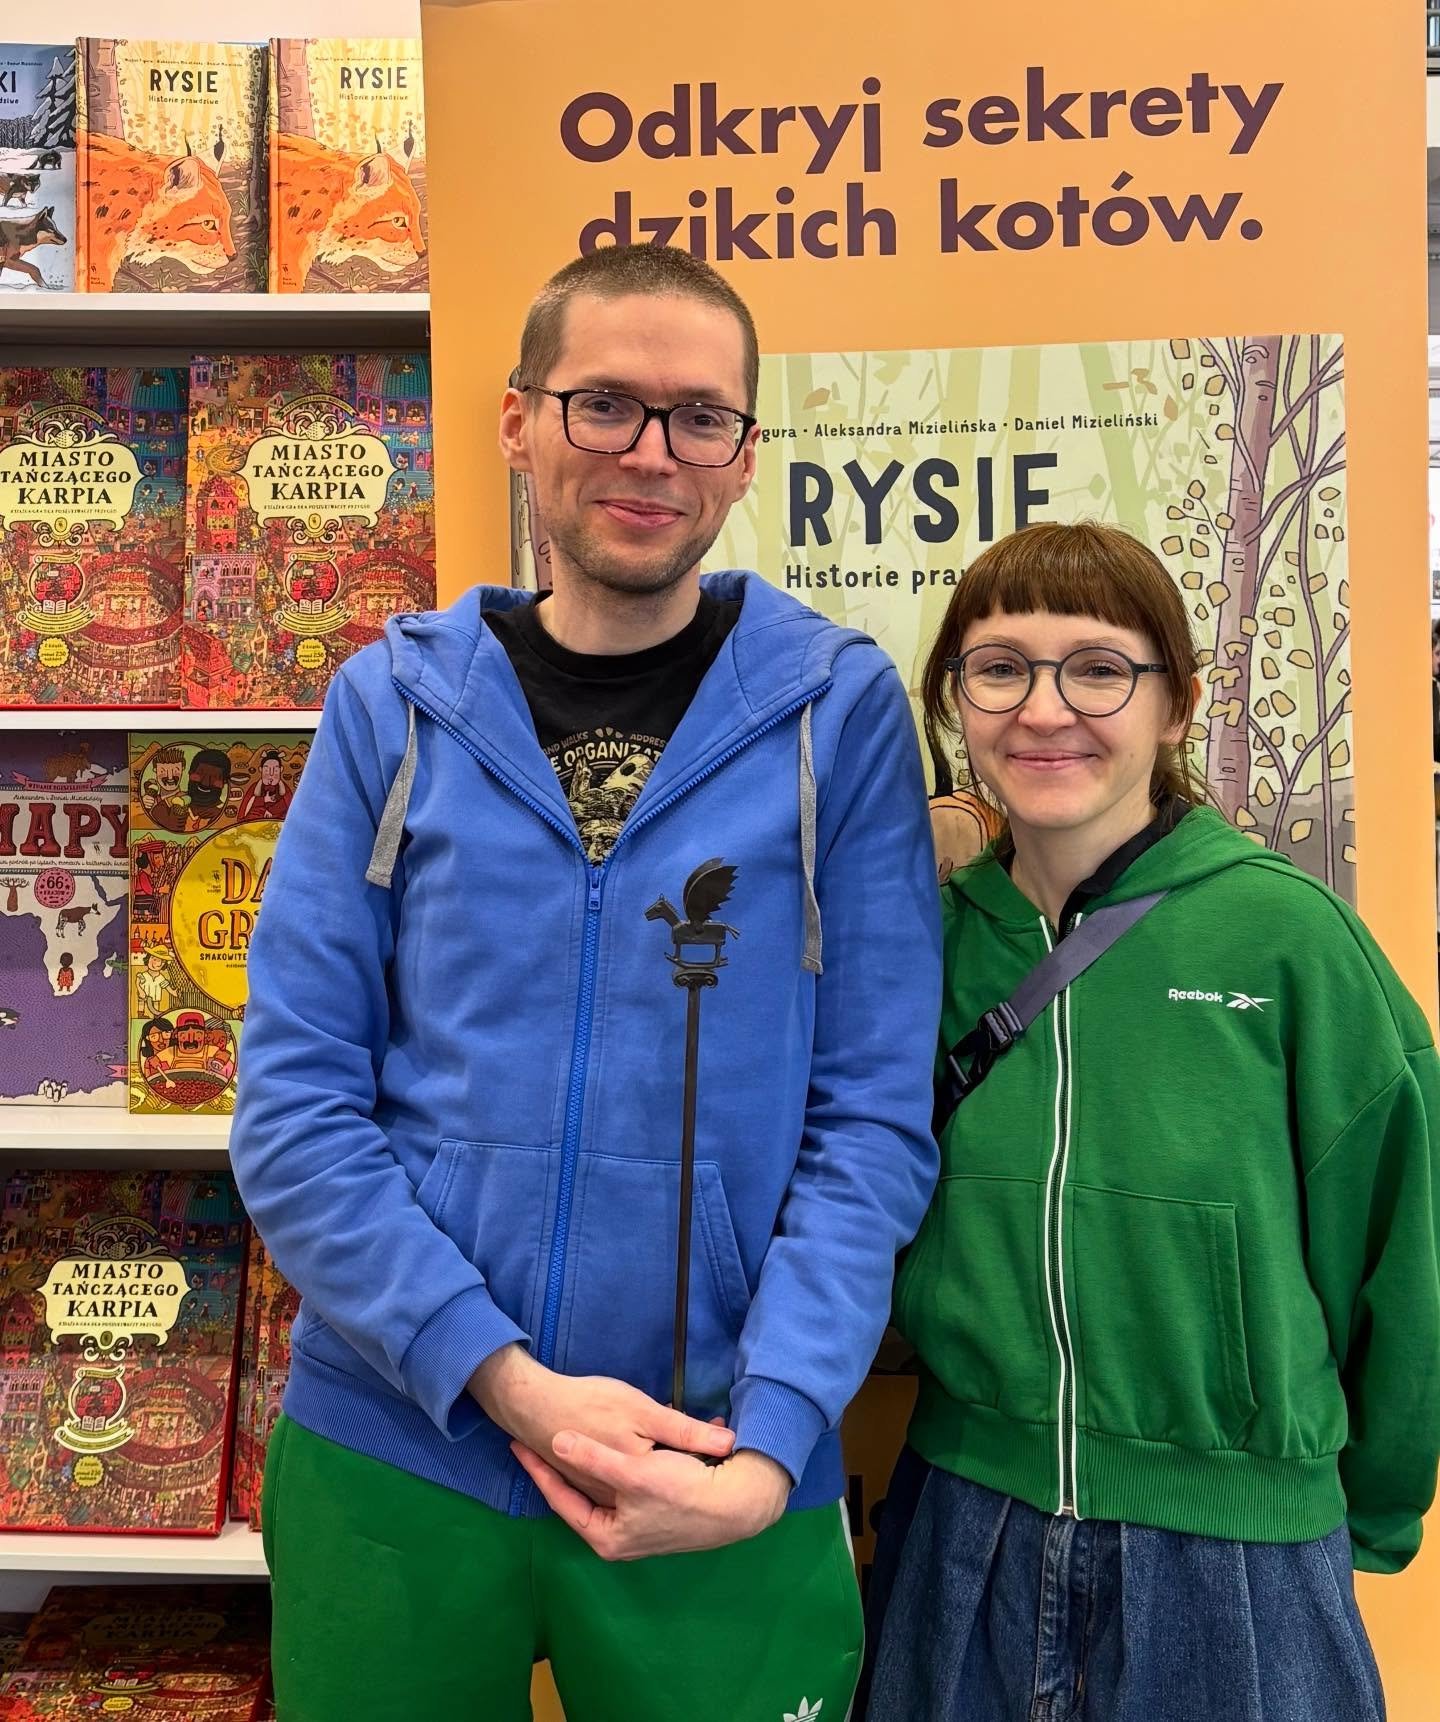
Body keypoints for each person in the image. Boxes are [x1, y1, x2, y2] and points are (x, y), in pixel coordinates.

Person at [230, 243, 941, 1722]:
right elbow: (295, 1106)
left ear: (745, 453)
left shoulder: (837, 711)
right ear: (518, 420)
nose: (652, 453)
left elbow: (871, 1120)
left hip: (718, 1455)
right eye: (605, 402)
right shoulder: (392, 704)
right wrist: (496, 1374)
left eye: (700, 416)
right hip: (399, 1445)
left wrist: (771, 1444)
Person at [862, 521, 1440, 1722]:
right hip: (964, 1519)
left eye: (1098, 668)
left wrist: (1367, 1510)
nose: (1045, 709)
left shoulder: (1285, 939)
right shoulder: (925, 943)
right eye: (1000, 668)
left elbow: (1403, 1240)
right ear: (956, 701)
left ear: (1175, 704)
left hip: (1235, 1554)